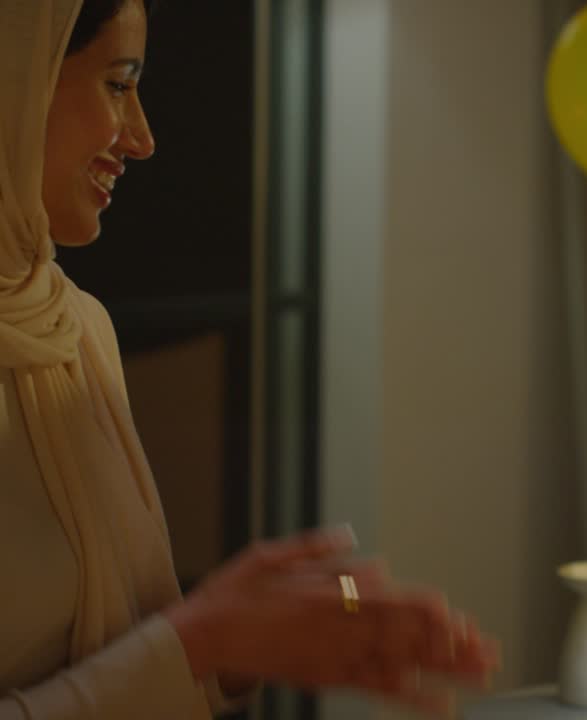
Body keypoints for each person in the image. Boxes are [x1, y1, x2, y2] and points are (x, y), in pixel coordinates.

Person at [1, 1, 499, 717]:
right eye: (117, 84)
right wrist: (203, 636)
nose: (141, 138)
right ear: (18, 78)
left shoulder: (76, 329)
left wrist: (239, 648)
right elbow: (163, 653)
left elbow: (145, 669)